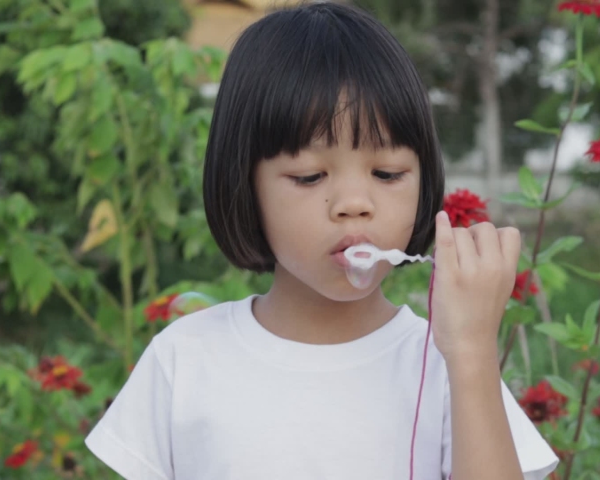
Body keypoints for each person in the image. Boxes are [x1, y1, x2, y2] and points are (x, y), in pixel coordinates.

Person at [85, 3, 559, 479]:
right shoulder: (184, 360)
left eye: (387, 173)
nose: (354, 203)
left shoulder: (447, 364)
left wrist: (474, 350)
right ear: (244, 185)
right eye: (310, 176)